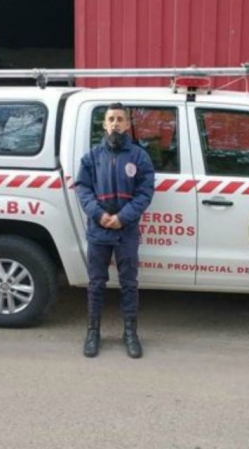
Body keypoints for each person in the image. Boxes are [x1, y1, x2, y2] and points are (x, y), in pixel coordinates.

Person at [74, 102, 156, 358]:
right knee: (96, 283)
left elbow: (145, 192)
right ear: (104, 124)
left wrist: (123, 217)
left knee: (129, 283)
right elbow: (83, 189)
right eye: (111, 119)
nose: (116, 123)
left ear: (127, 125)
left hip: (126, 230)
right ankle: (92, 332)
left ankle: (130, 333)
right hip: (99, 231)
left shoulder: (139, 157)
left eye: (120, 119)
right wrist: (99, 215)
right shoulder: (91, 157)